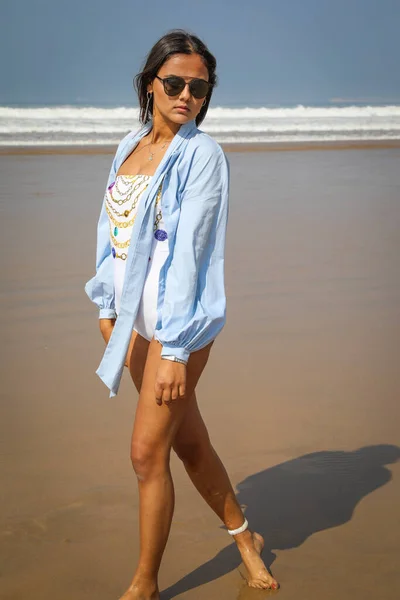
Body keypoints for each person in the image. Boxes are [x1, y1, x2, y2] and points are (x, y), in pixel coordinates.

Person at [85, 29, 279, 600]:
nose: (187, 95)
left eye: (199, 87)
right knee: (189, 443)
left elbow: (193, 255)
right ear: (150, 86)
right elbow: (111, 236)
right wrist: (107, 307)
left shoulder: (202, 156)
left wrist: (174, 348)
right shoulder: (127, 146)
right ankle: (246, 541)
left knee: (146, 452)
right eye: (175, 83)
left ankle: (144, 584)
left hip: (178, 330)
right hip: (132, 322)